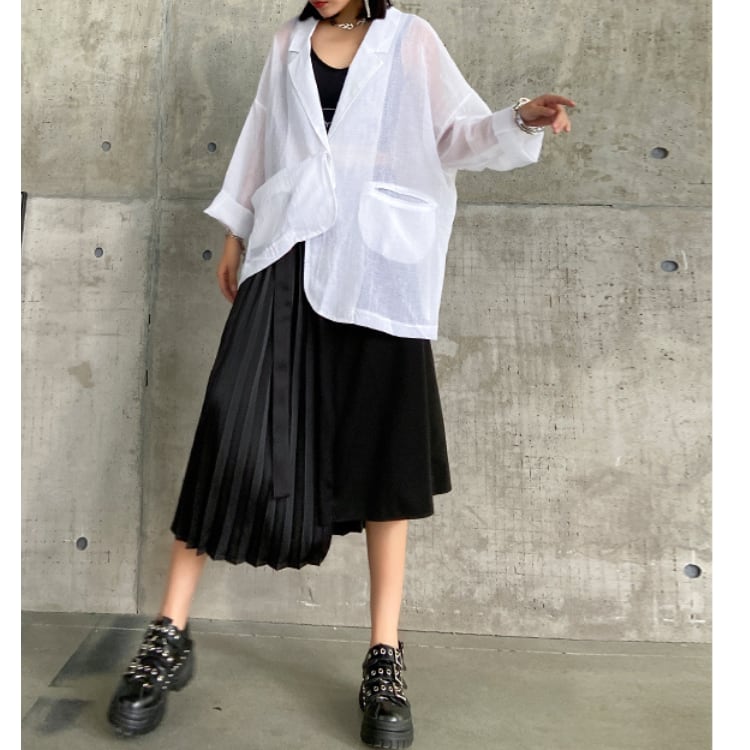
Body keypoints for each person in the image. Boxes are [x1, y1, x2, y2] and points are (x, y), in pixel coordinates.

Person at [106, 1, 574, 747]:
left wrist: (519, 118)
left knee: (386, 454)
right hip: (286, 250)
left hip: (377, 262)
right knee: (228, 434)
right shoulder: (287, 42)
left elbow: (453, 135)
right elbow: (262, 139)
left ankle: (384, 656)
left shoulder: (409, 38)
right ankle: (170, 630)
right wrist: (236, 233)